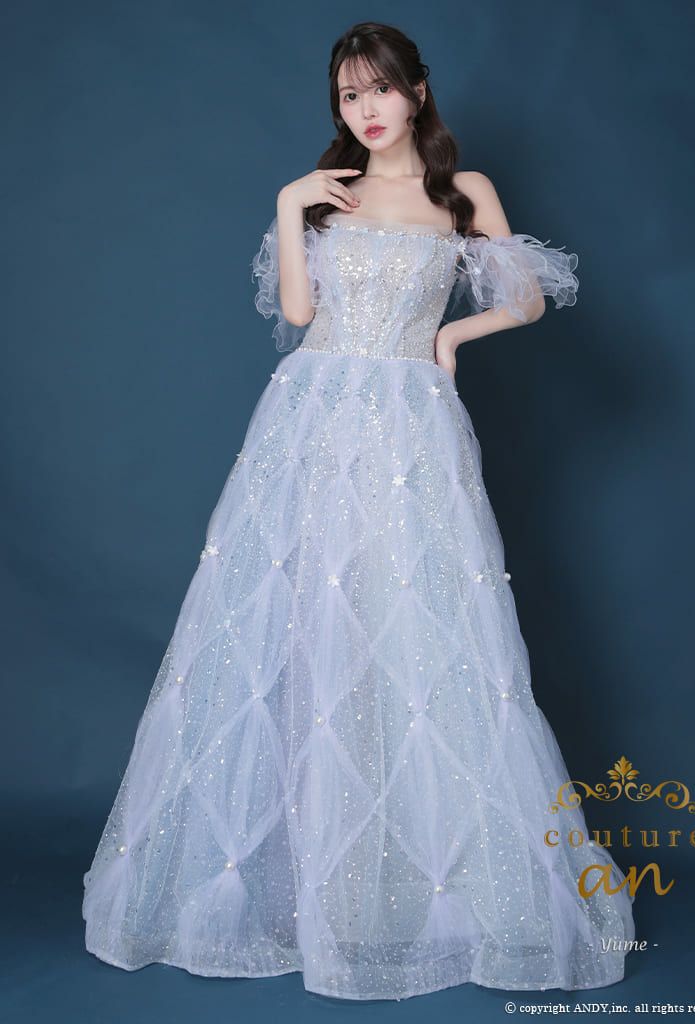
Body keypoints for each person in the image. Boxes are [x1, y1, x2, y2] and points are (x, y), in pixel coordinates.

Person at [82, 20, 636, 1002]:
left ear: (417, 91)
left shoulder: (462, 194)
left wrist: (454, 336)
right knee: (298, 626)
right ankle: (305, 888)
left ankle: (415, 886)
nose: (366, 109)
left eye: (380, 88)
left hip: (410, 420)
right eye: (348, 95)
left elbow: (529, 299)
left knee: (416, 627)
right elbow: (300, 316)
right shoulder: (326, 193)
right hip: (312, 416)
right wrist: (289, 203)